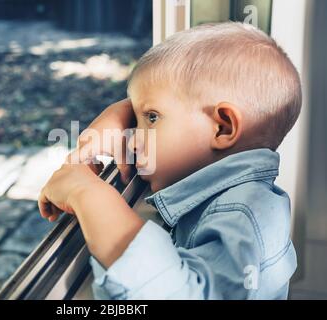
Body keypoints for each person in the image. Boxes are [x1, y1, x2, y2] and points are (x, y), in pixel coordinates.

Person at [38, 22, 301, 299]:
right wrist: (119, 113)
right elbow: (178, 104)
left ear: (223, 128)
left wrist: (87, 193)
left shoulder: (244, 214)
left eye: (151, 118)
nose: (134, 139)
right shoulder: (244, 197)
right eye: (137, 120)